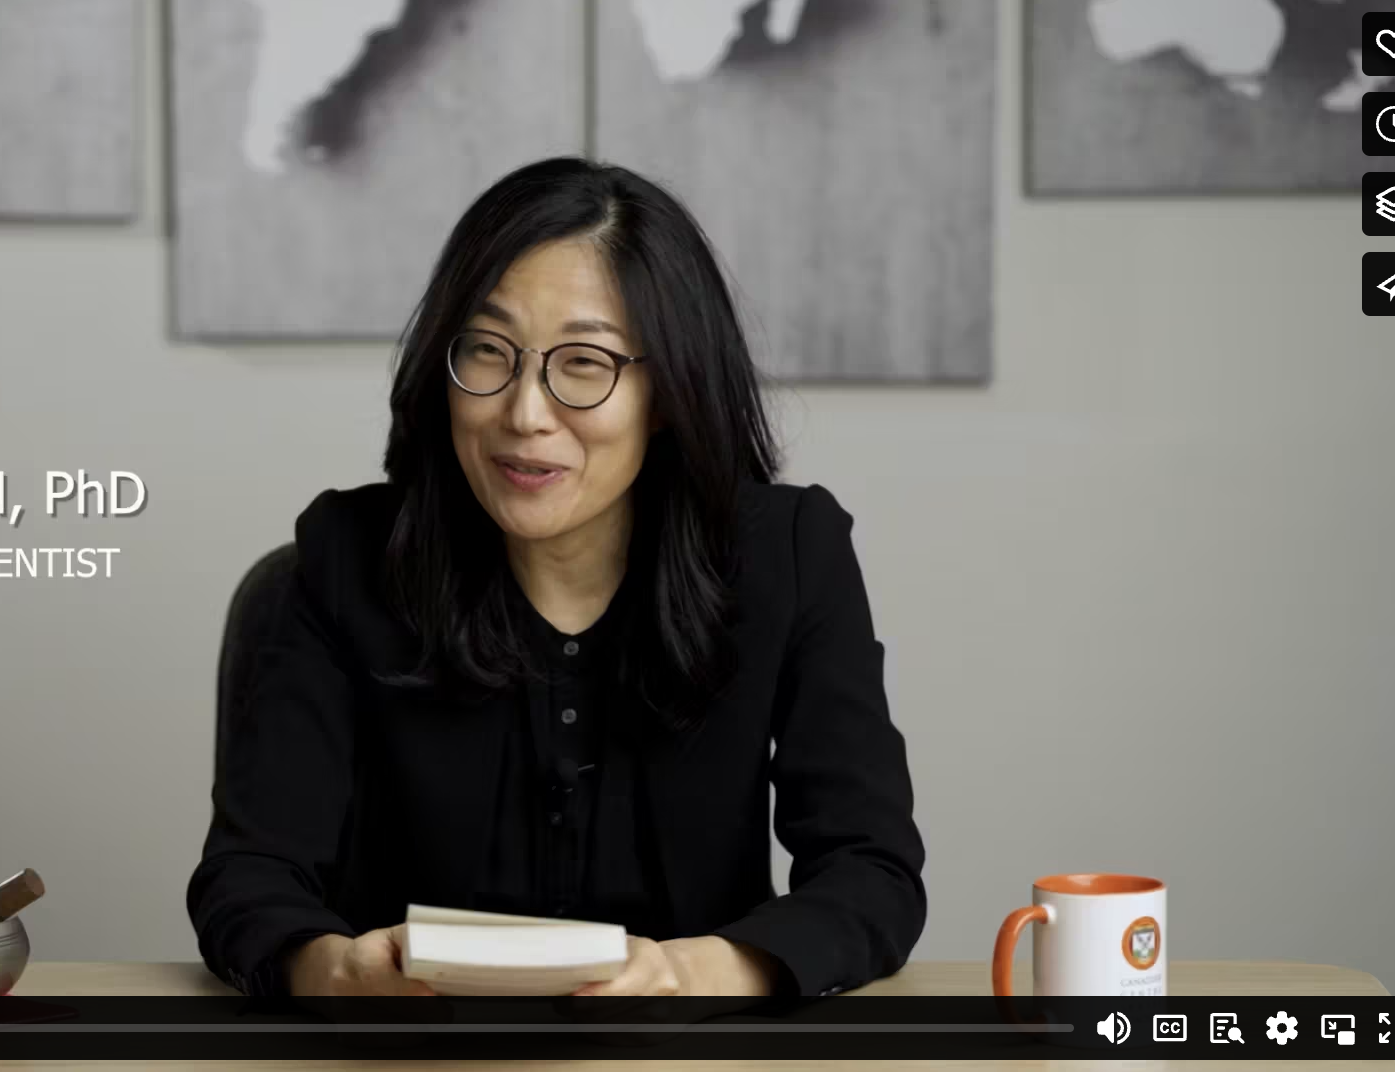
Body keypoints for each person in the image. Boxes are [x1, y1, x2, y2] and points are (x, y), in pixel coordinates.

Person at [187, 157, 924, 1001]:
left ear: (672, 390)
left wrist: (698, 971)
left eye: (584, 363)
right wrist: (329, 966)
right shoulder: (350, 556)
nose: (524, 413)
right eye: (489, 351)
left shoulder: (789, 557)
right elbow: (245, 880)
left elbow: (874, 875)